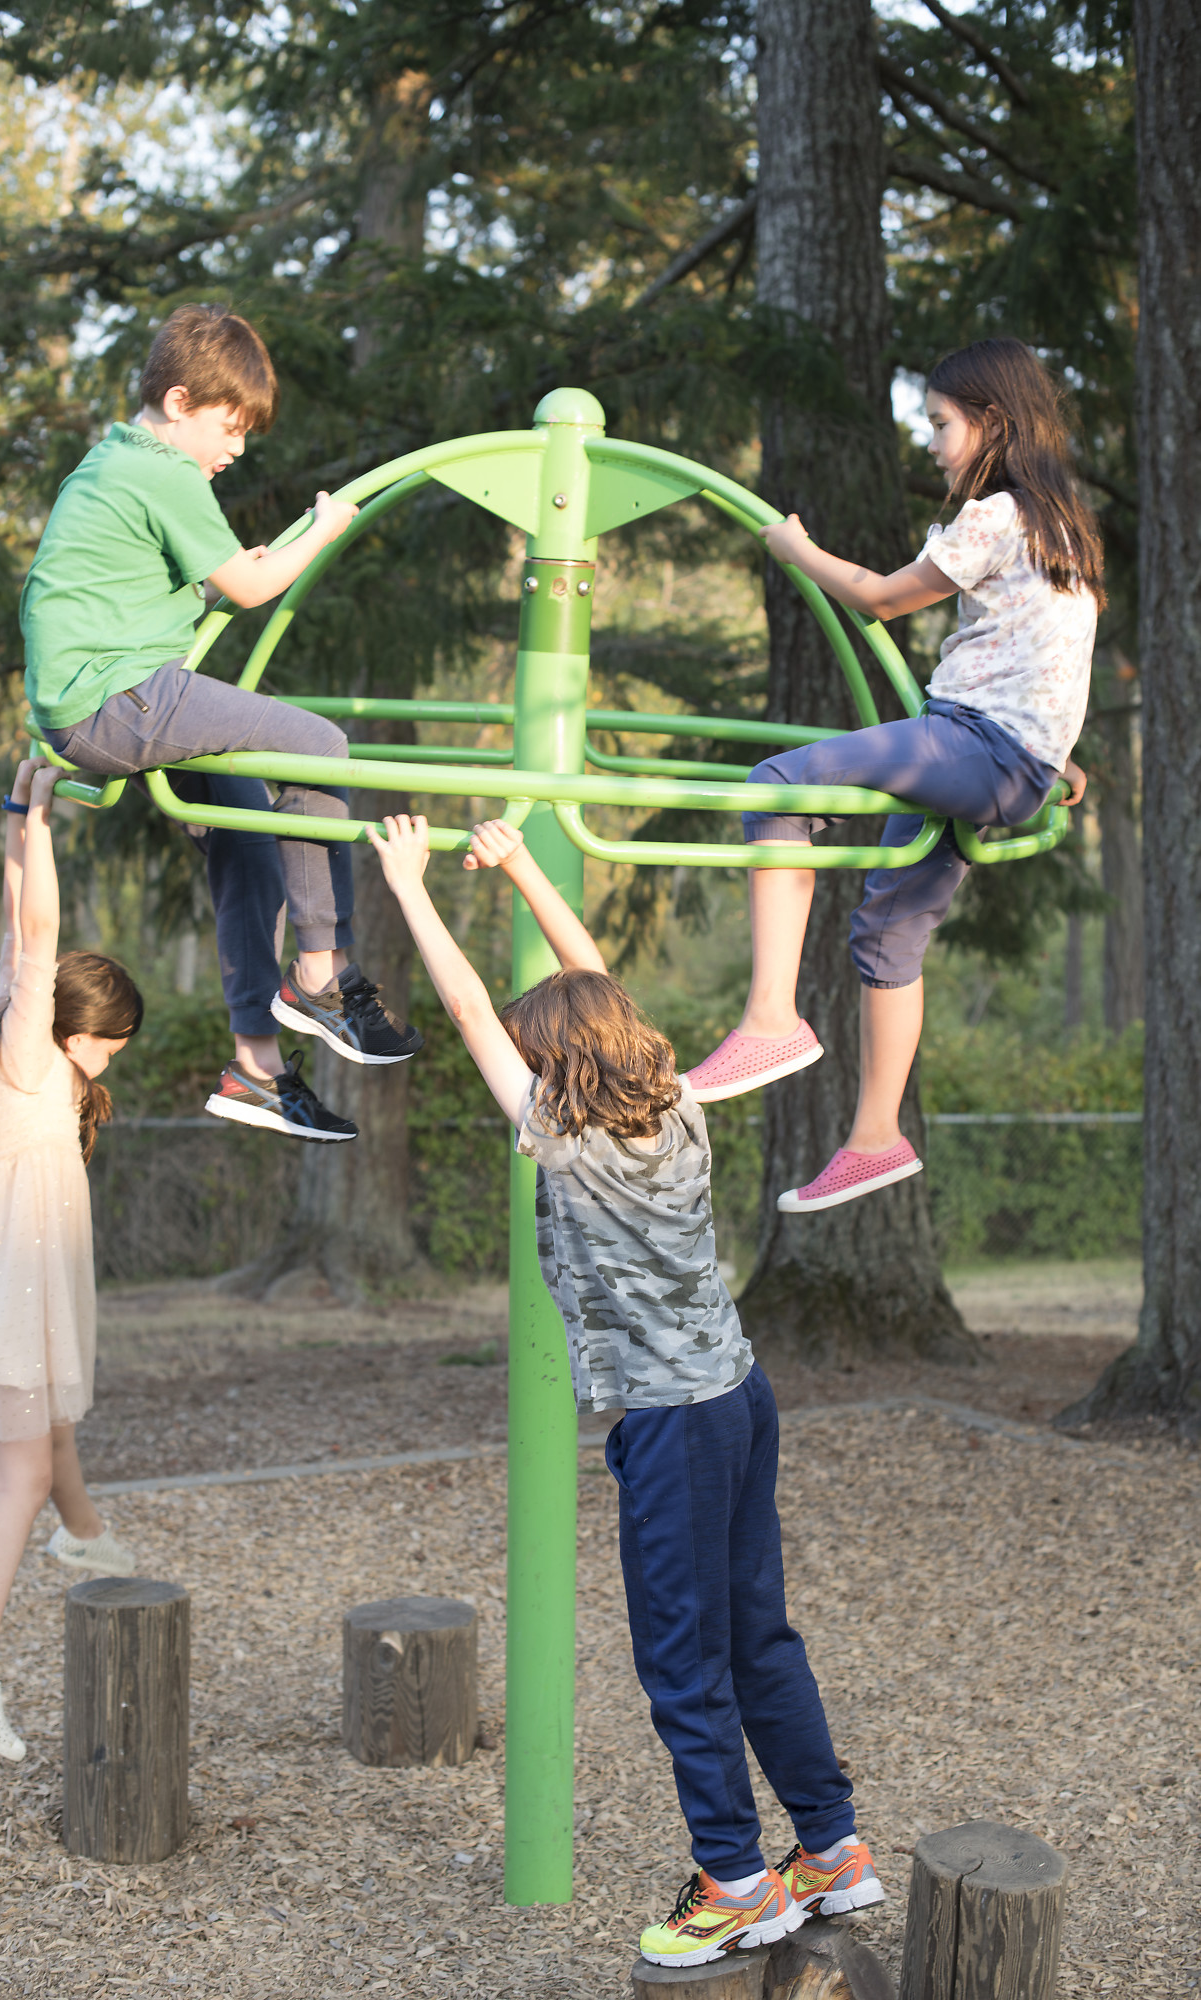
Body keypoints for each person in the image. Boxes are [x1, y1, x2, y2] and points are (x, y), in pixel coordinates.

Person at [368, 812, 885, 1968]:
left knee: (683, 1663)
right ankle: (831, 1847)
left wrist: (408, 885)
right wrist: (521, 870)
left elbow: (466, 1007)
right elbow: (595, 981)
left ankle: (737, 1880)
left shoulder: (561, 1138)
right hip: (740, 1397)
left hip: (672, 1425)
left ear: (554, 1069)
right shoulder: (680, 1102)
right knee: (758, 1637)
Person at [685, 337, 1103, 1212]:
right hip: (1003, 754)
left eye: (941, 424)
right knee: (887, 935)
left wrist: (795, 549)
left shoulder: (997, 513)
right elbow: (1044, 651)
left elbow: (881, 597)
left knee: (777, 786)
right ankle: (875, 1137)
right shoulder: (1063, 524)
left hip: (974, 745)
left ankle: (769, 1019)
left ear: (991, 422)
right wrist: (1053, 752)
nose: (932, 442)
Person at [20, 302, 421, 1145]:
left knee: (247, 838)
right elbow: (250, 586)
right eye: (229, 427)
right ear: (178, 403)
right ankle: (321, 971)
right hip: (118, 695)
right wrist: (324, 530)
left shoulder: (112, 464)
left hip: (97, 697)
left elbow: (181, 581)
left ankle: (257, 1069)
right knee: (319, 745)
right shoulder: (163, 471)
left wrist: (235, 570)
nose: (236, 449)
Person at [0, 759, 144, 1763]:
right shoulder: (27, 1057)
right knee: (19, 1472)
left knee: (50, 1419)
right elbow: (38, 938)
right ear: (81, 1029)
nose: (112, 1059)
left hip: (15, 1280)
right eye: (114, 1044)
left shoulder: (25, 1040)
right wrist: (44, 818)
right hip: (5, 1288)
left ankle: (83, 1531)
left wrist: (19, 810)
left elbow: (19, 931)